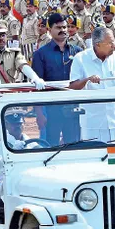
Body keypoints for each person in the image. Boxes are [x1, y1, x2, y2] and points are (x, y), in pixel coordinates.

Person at [68, 26, 115, 141]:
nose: (114, 45)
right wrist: (87, 79)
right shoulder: (81, 59)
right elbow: (72, 87)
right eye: (110, 43)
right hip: (93, 123)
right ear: (97, 44)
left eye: (114, 42)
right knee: (95, 157)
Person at [31, 13, 82, 144]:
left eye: (65, 27)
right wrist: (39, 114)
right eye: (58, 28)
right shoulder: (40, 54)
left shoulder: (77, 52)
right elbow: (36, 87)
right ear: (49, 30)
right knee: (51, 145)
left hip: (73, 108)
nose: (63, 30)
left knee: (74, 145)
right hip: (51, 109)